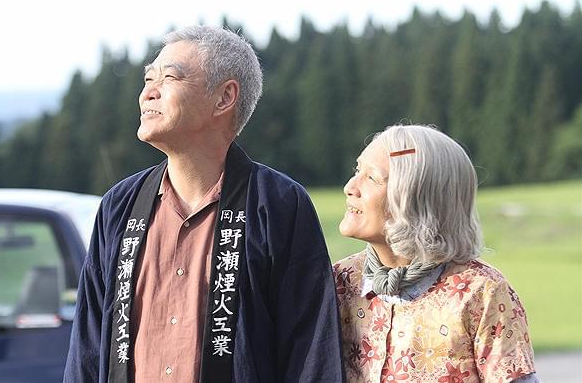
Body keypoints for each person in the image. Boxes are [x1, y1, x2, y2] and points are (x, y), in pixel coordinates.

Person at [64, 26, 344, 382]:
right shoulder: (121, 205)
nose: (148, 93)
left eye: (169, 78)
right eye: (148, 79)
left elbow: (311, 354)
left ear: (224, 97)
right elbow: (86, 349)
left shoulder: (276, 204)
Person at [333, 124, 539, 382]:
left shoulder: (482, 293)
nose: (350, 187)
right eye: (357, 170)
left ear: (417, 198)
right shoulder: (339, 282)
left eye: (372, 178)